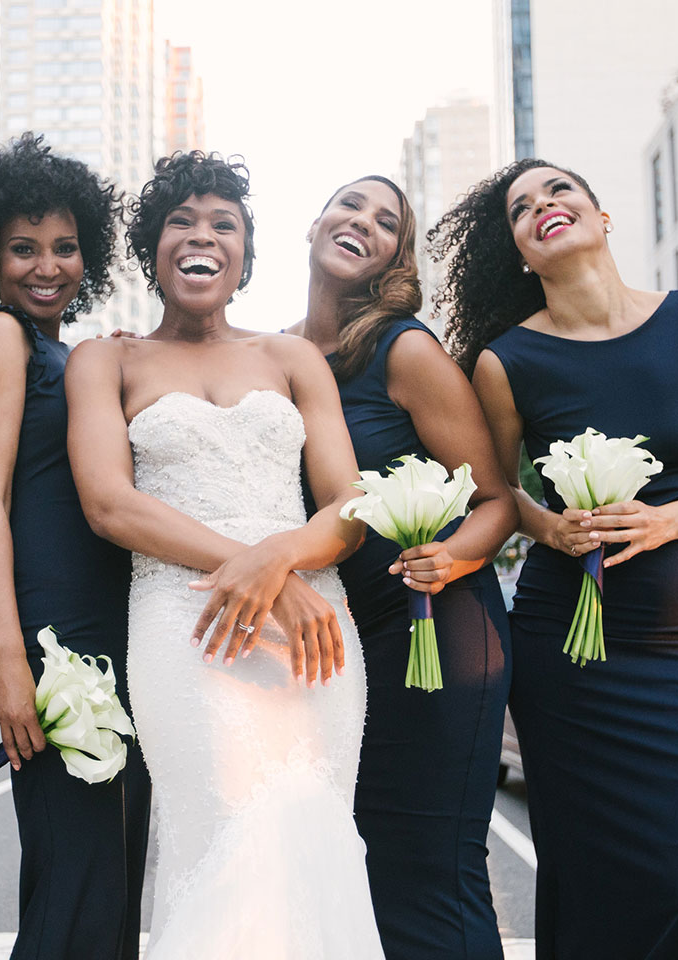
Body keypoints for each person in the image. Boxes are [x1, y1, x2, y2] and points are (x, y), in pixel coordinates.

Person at [435, 158, 678, 960]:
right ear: (520, 251)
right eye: (521, 209)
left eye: (559, 191)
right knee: (585, 882)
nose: (543, 206)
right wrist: (552, 530)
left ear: (601, 213)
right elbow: (498, 493)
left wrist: (665, 523)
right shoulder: (505, 361)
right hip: (567, 658)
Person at [66, 152, 385, 959]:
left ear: (245, 254)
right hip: (187, 630)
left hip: (314, 631)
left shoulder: (292, 359)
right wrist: (257, 571)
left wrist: (278, 562)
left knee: (311, 843)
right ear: (154, 247)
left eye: (223, 224)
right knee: (221, 839)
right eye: (181, 221)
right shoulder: (107, 360)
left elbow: (351, 506)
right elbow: (109, 504)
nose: (201, 236)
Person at [288, 176, 517, 960]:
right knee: (356, 870)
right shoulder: (272, 356)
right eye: (349, 204)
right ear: (315, 222)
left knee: (427, 865)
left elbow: (497, 500)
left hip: (435, 628)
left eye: (387, 222)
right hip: (331, 648)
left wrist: (449, 559)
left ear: (394, 257)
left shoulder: (403, 348)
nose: (363, 222)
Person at [0, 133, 150, 960]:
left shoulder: (71, 352)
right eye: (23, 248)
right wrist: (7, 659)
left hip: (114, 632)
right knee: (75, 885)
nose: (46, 266)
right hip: (56, 640)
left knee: (109, 879)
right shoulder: (0, 336)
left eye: (64, 247)